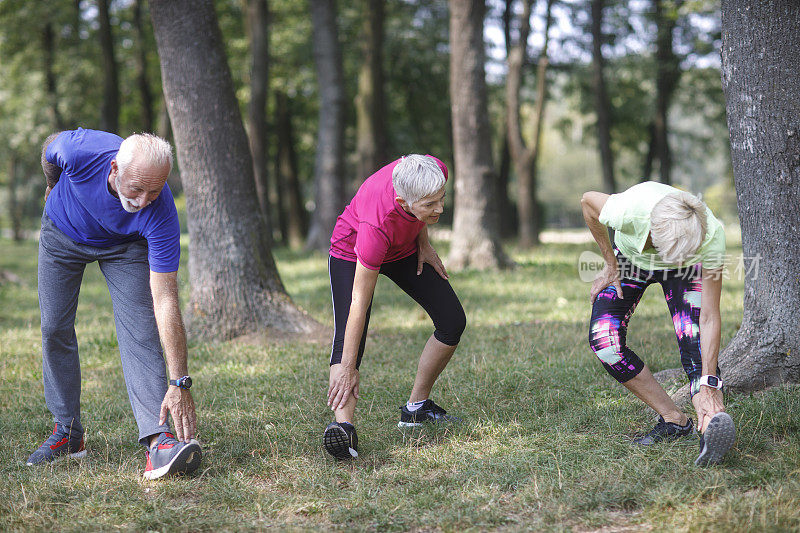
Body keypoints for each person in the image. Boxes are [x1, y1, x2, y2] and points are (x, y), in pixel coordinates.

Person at [28, 128, 201, 479]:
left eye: (155, 191)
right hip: (62, 232)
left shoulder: (161, 211)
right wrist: (52, 185)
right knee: (54, 328)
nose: (144, 201)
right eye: (136, 189)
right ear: (113, 169)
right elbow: (49, 149)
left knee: (140, 330)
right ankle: (68, 433)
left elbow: (165, 298)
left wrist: (179, 380)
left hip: (124, 247)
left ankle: (159, 442)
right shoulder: (80, 151)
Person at [581, 181, 736, 466]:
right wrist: (609, 263)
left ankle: (711, 420)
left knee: (695, 340)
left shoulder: (711, 235)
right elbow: (588, 202)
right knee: (605, 343)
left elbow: (710, 316)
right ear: (652, 233)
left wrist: (709, 382)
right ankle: (674, 420)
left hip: (684, 272)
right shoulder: (628, 212)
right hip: (630, 260)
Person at [322, 154, 467, 460]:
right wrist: (349, 369)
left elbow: (422, 210)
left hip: (403, 248)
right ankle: (344, 429)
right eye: (430, 205)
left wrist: (424, 244)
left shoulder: (433, 169)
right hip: (354, 251)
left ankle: (416, 410)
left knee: (452, 320)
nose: (439, 208)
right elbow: (359, 304)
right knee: (349, 343)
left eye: (441, 199)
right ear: (402, 202)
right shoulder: (376, 224)